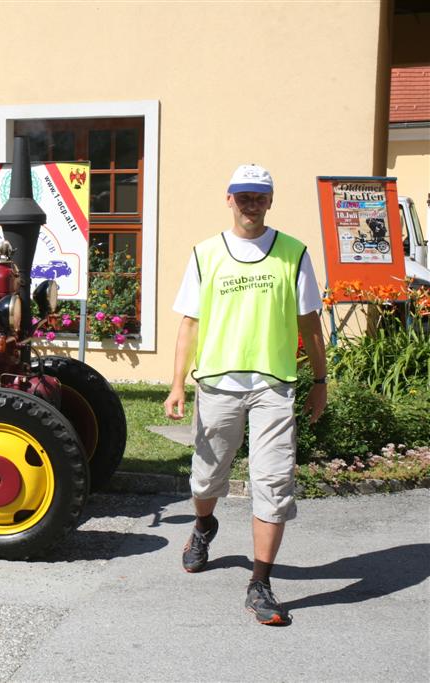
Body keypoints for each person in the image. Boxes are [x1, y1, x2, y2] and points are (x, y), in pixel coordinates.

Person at [163, 163, 327, 626]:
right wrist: (177, 384)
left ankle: (260, 583)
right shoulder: (206, 253)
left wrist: (320, 381)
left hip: (272, 387)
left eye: (259, 196)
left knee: (272, 485)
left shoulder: (293, 253)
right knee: (205, 479)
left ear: (270, 201)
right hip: (217, 384)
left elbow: (310, 324)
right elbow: (189, 324)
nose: (251, 204)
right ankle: (203, 526)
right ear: (229, 199)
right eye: (243, 196)